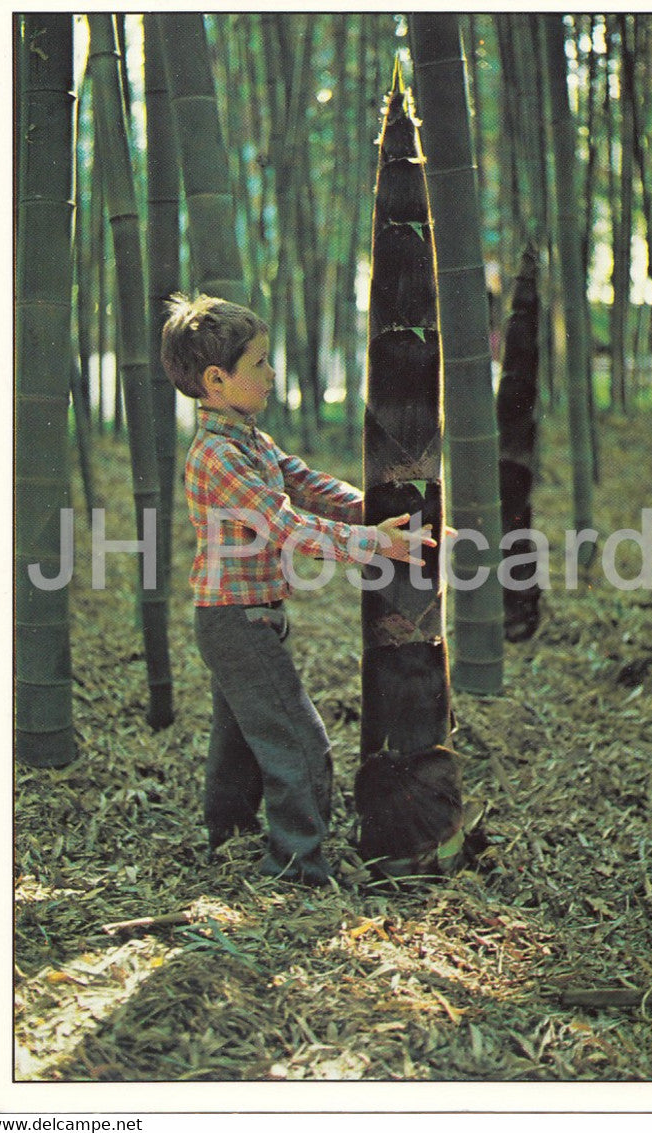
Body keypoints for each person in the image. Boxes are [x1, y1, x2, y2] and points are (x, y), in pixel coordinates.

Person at [160, 293, 435, 886]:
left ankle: (225, 843)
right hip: (237, 621)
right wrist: (374, 544)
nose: (272, 374)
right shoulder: (217, 456)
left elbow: (306, 486)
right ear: (217, 378)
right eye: (259, 363)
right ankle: (297, 868)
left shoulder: (250, 441)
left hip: (246, 616)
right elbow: (286, 525)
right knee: (301, 744)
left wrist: (382, 511)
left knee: (237, 741)